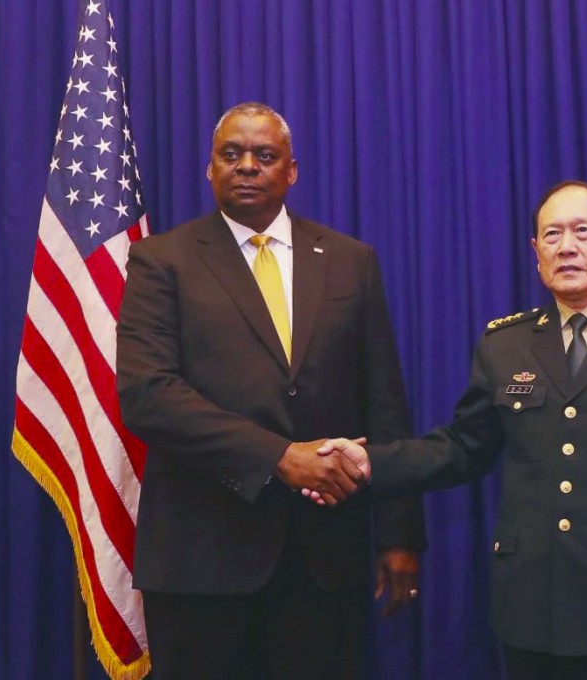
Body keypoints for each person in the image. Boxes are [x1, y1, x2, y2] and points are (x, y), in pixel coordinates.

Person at [317, 181, 587, 679]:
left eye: (582, 231)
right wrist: (370, 462)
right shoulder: (505, 344)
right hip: (533, 606)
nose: (566, 247)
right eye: (552, 235)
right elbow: (464, 447)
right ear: (535, 252)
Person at [117, 102, 426, 680]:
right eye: (231, 154)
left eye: (264, 155)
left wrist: (399, 533)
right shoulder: (161, 260)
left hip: (323, 560)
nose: (247, 166)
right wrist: (279, 457)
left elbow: (384, 403)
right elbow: (148, 394)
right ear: (210, 169)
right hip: (202, 558)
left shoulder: (350, 261)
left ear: (292, 170)